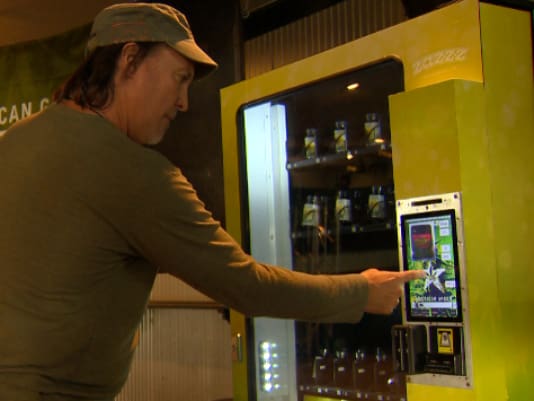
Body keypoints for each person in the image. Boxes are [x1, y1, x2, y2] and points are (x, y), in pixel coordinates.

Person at [0, 3, 424, 400]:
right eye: (179, 78)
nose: (183, 103)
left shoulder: (14, 142)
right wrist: (361, 292)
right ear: (129, 60)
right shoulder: (134, 173)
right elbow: (245, 285)